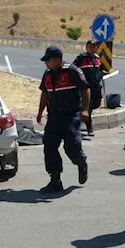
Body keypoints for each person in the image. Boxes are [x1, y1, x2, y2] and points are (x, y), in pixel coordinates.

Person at [36, 46, 90, 193]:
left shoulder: (72, 71)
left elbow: (85, 89)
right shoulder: (47, 74)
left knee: (71, 146)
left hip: (71, 116)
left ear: (58, 60)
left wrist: (85, 109)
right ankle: (55, 180)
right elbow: (45, 94)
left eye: (49, 60)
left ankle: (81, 162)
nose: (46, 63)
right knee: (49, 146)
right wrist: (40, 112)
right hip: (54, 116)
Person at [72, 40, 105, 136]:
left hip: (96, 87)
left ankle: (80, 119)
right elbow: (74, 69)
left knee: (96, 104)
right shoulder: (81, 57)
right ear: (86, 48)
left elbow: (100, 70)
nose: (92, 49)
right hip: (86, 88)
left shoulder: (97, 58)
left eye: (94, 47)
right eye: (90, 47)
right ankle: (89, 128)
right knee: (88, 107)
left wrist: (102, 74)